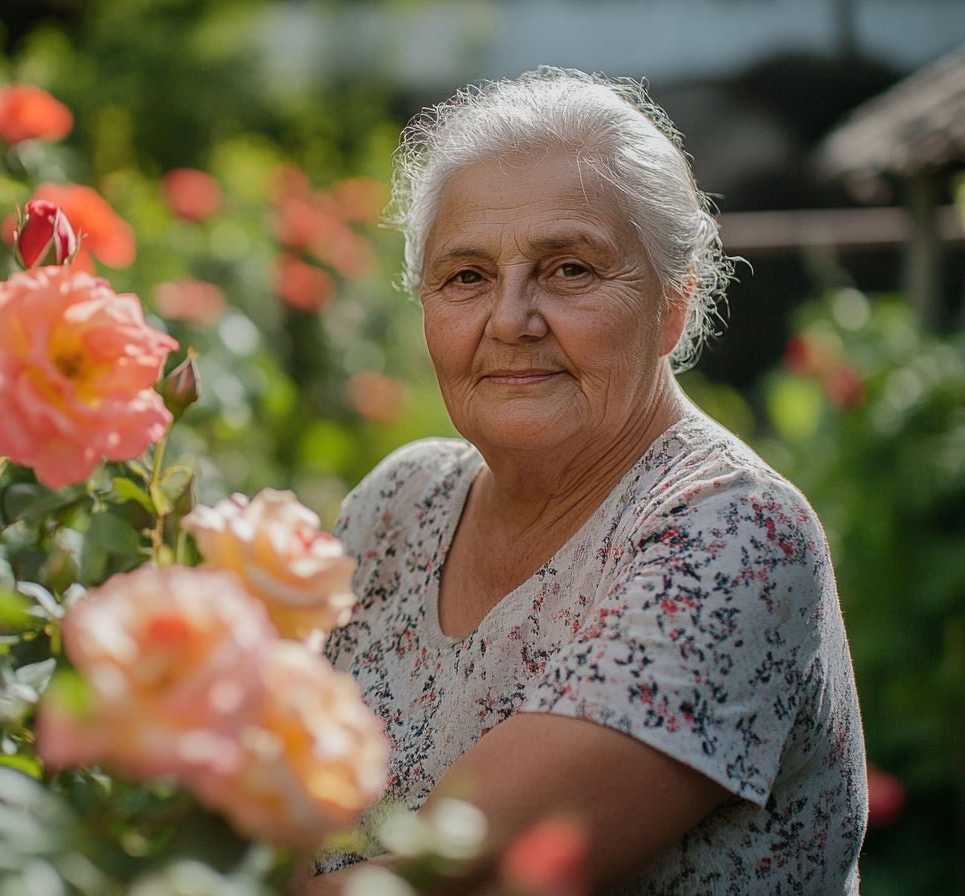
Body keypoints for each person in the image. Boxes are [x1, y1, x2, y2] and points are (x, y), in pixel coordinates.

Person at [300, 68, 867, 894]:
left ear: (675, 302)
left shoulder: (730, 533)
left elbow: (455, 880)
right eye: (467, 276)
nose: (510, 319)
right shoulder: (401, 501)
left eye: (569, 269)